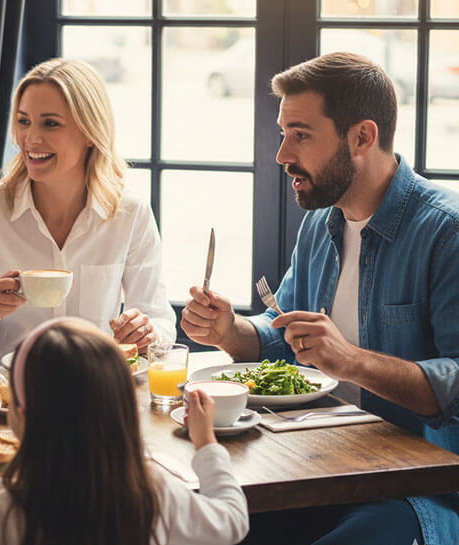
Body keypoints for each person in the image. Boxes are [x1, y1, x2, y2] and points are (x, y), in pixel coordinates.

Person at [181, 52, 459, 544]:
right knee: (198, 527)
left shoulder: (445, 232)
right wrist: (230, 331)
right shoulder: (320, 222)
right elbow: (282, 335)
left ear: (362, 137)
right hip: (312, 465)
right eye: (283, 133)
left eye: (301, 135)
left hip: (413, 490)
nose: (282, 154)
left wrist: (351, 361)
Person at [0, 317, 249, 545]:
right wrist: (206, 443)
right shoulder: (154, 493)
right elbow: (232, 521)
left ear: (21, 418)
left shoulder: (12, 511)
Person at [0, 58, 175, 365]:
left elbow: (159, 319)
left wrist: (146, 332)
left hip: (95, 385)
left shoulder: (131, 213)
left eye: (50, 123)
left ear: (90, 132)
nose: (31, 139)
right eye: (24, 121)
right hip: (5, 389)